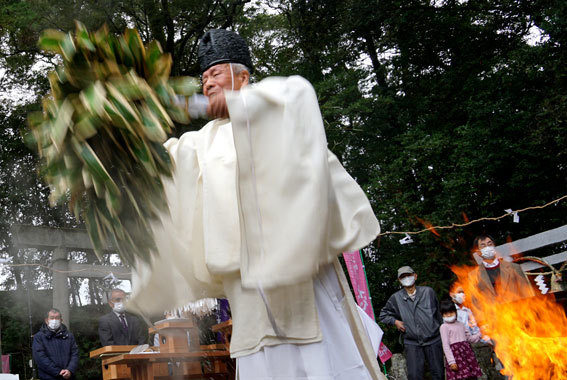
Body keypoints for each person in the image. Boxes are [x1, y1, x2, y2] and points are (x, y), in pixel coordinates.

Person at [128, 28, 385, 379]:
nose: (207, 85)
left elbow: (295, 96)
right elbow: (161, 168)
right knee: (260, 354)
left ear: (243, 75)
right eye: (203, 80)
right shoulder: (201, 142)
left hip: (296, 269)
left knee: (320, 355)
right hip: (245, 282)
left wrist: (237, 103)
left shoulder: (275, 105)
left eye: (215, 74)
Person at [379, 266, 444, 380]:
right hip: (412, 342)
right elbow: (383, 315)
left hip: (433, 339)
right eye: (403, 277)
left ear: (415, 276)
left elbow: (438, 314)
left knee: (438, 374)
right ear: (399, 280)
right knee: (414, 375)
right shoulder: (396, 298)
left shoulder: (428, 292)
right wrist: (395, 321)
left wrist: (443, 334)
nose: (407, 278)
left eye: (408, 275)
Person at [469, 234, 534, 307]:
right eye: (483, 246)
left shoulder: (514, 268)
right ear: (478, 252)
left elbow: (527, 293)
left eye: (490, 244)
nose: (488, 247)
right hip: (493, 315)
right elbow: (476, 303)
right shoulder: (474, 276)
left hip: (516, 312)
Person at [439, 299, 482, 380]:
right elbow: (445, 345)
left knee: (471, 376)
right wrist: (451, 361)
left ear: (455, 312)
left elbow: (470, 339)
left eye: (451, 312)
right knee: (459, 377)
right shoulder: (444, 327)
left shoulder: (461, 325)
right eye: (446, 314)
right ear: (442, 314)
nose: (448, 315)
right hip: (455, 357)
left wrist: (480, 334)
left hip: (466, 354)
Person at [32, 308, 79, 380]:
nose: (54, 320)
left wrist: (70, 370)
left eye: (57, 318)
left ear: (61, 320)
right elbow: (40, 358)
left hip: (69, 377)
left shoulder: (69, 336)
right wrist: (58, 371)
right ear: (46, 320)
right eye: (52, 318)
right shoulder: (39, 337)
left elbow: (75, 354)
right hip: (48, 377)